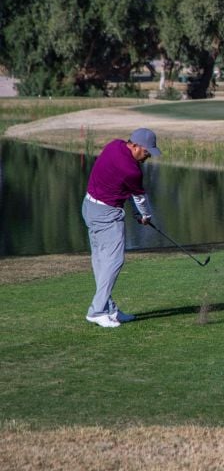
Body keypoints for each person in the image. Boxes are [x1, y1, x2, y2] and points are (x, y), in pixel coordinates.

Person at [82, 128, 161, 328]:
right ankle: (97, 311)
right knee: (114, 260)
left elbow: (123, 187)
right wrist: (145, 216)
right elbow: (140, 198)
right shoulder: (132, 170)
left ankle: (110, 309)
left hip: (89, 208)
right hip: (106, 215)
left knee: (101, 261)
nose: (148, 155)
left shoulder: (114, 145)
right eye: (146, 151)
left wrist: (136, 212)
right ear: (135, 146)